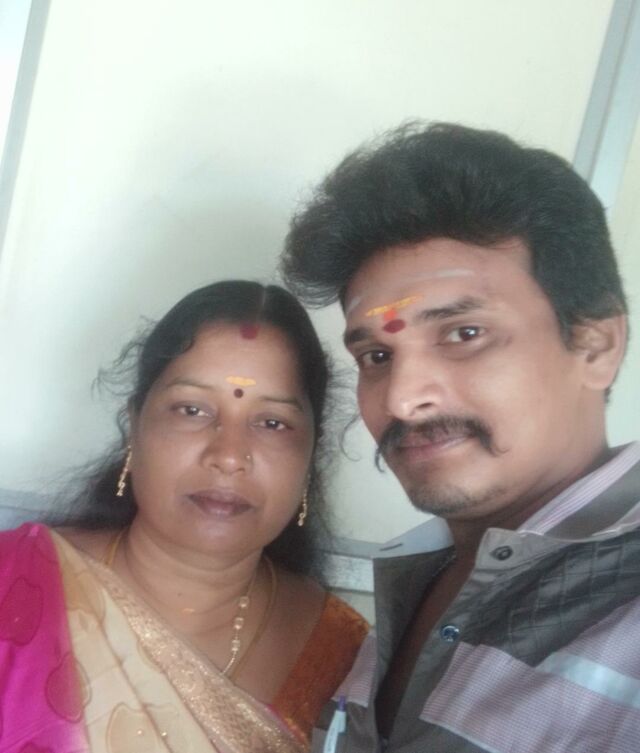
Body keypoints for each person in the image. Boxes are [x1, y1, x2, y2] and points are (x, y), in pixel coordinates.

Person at [281, 123, 640, 752]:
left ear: (595, 345)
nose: (401, 399)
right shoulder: (418, 574)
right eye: (376, 356)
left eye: (463, 334)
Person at [0, 280, 368, 753]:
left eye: (272, 422)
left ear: (310, 456)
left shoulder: (342, 657)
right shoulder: (14, 582)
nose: (229, 455)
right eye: (192, 410)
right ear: (134, 426)